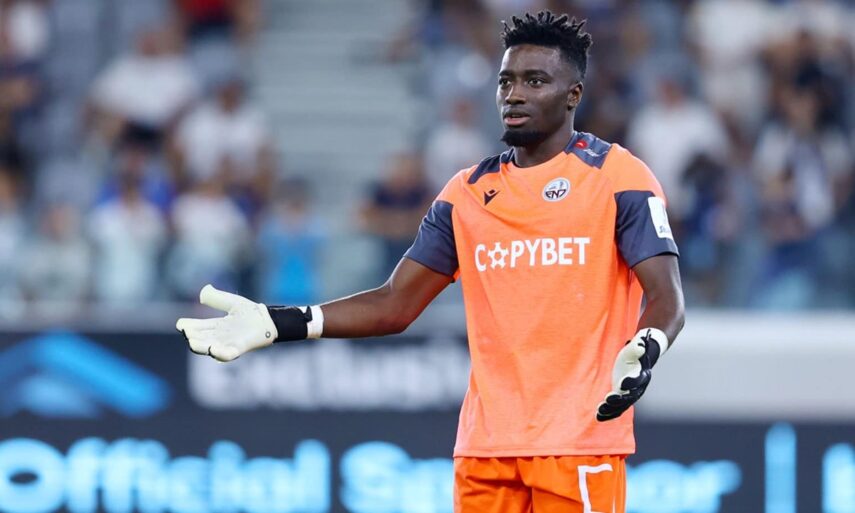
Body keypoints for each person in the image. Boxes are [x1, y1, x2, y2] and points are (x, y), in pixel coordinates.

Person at [177, 11, 684, 512]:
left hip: (578, 441)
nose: (514, 94)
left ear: (573, 94)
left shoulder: (618, 177)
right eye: (506, 81)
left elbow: (667, 298)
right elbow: (394, 304)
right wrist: (279, 321)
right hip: (484, 449)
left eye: (535, 81)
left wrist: (649, 343)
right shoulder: (466, 193)